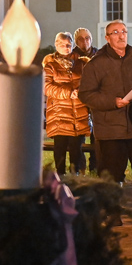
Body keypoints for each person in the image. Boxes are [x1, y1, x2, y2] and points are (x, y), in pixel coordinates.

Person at [79, 20, 132, 225]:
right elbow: (86, 94)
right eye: (115, 32)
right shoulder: (96, 63)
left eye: (123, 31)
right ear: (107, 38)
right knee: (112, 174)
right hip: (110, 128)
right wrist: (112, 102)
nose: (121, 35)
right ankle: (112, 212)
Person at [43, 32, 91, 175]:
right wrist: (68, 93)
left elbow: (89, 82)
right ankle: (60, 175)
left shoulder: (81, 63)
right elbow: (47, 87)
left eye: (69, 45)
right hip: (59, 113)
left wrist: (81, 92)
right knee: (60, 147)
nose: (66, 48)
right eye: (62, 45)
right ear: (56, 45)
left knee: (76, 148)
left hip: (78, 112)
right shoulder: (50, 66)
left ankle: (75, 175)